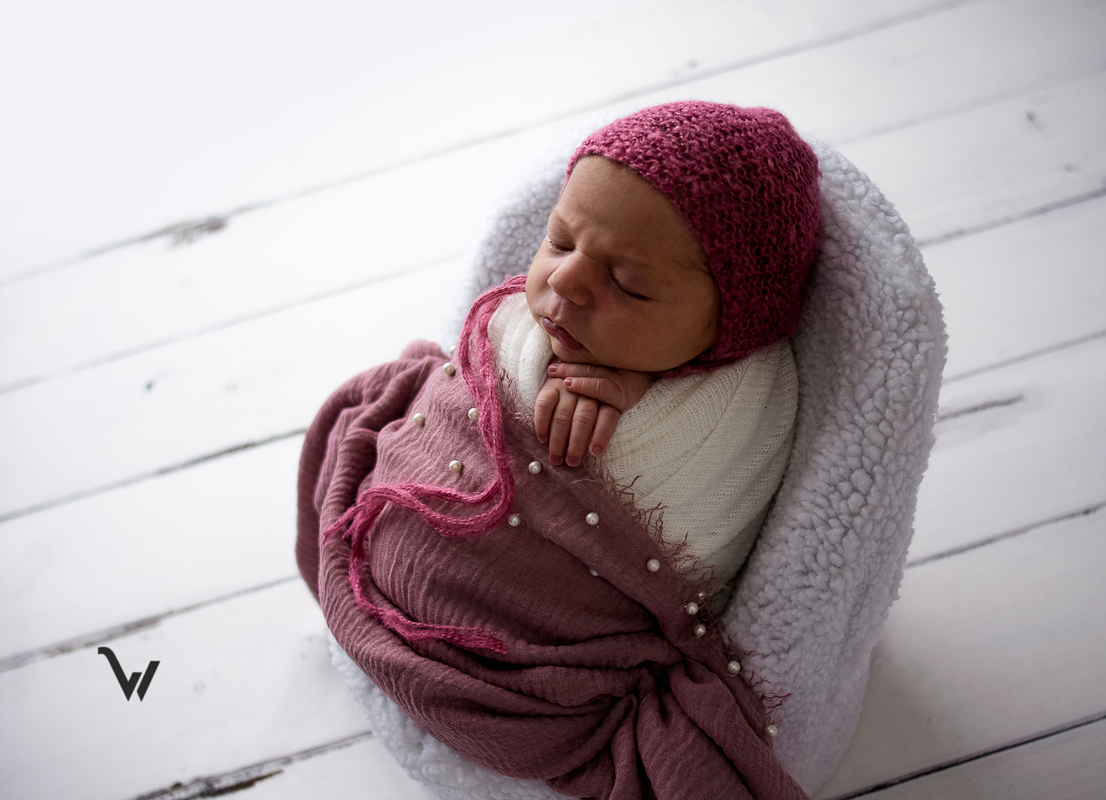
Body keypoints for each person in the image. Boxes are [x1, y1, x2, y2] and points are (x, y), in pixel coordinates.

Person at [297, 101, 822, 799]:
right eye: (560, 239)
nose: (567, 282)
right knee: (373, 400)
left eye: (629, 284)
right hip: (367, 564)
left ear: (728, 333)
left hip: (521, 693)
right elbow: (478, 363)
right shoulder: (548, 322)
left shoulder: (743, 400)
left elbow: (711, 506)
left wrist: (646, 390)